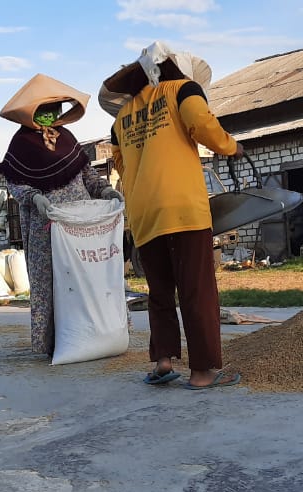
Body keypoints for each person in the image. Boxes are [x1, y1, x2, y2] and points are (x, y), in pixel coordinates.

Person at [101, 41, 244, 390]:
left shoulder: (121, 118)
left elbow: (120, 163)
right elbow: (201, 123)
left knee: (161, 291)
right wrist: (231, 145)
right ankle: (203, 372)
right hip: (182, 208)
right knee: (197, 290)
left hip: (143, 213)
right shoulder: (183, 91)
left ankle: (162, 361)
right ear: (177, 69)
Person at [0, 74, 122, 358]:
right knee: (51, 283)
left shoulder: (67, 137)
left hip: (81, 225)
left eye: (56, 107)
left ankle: (98, 334)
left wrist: (105, 191)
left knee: (88, 277)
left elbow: (87, 174)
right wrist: (34, 197)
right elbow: (15, 182)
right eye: (45, 108)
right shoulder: (22, 143)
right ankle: (56, 344)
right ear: (31, 111)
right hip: (47, 225)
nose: (52, 114)